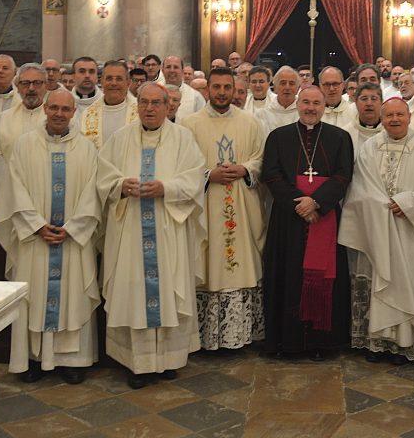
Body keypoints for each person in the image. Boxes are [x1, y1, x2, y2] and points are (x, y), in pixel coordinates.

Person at [97, 83, 205, 388]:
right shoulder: (119, 139)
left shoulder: (183, 138)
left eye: (157, 103)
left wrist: (166, 188)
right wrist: (119, 185)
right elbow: (102, 176)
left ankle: (168, 360)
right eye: (144, 102)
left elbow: (196, 178)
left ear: (168, 106)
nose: (150, 108)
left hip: (168, 227)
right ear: (137, 105)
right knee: (134, 292)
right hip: (130, 228)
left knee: (169, 289)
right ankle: (138, 363)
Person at [0, 90, 101, 384]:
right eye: (53, 107)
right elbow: (14, 190)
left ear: (73, 111)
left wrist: (73, 228)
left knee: (73, 294)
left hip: (72, 241)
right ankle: (32, 359)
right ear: (45, 108)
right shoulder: (25, 146)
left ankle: (73, 360)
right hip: (34, 240)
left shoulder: (87, 149)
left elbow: (94, 193)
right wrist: (37, 226)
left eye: (65, 109)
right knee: (34, 295)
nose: (58, 114)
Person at [339, 98, 414, 364]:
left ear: (409, 117)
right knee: (380, 282)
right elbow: (361, 186)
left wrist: (407, 202)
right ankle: (379, 342)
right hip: (378, 230)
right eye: (389, 116)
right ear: (382, 117)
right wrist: (382, 208)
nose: (395, 120)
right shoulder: (370, 147)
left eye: (400, 114)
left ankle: (407, 344)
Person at [260, 85, 354, 360]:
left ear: (325, 107)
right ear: (297, 104)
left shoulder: (340, 137)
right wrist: (300, 203)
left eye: (316, 103)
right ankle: (286, 342)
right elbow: (271, 175)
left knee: (324, 280)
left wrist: (317, 203)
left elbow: (344, 175)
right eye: (306, 102)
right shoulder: (278, 137)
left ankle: (321, 343)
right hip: (288, 220)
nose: (310, 107)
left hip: (324, 218)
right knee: (287, 277)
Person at [182, 68, 266, 352]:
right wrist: (207, 175)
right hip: (205, 206)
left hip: (241, 207)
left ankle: (237, 333)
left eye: (226, 87)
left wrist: (245, 168)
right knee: (207, 262)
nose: (221, 92)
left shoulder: (251, 123)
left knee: (238, 261)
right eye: (216, 87)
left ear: (234, 90)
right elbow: (181, 167)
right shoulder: (189, 124)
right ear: (207, 90)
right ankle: (204, 336)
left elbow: (261, 159)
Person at [0, 64, 49, 207]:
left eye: (37, 83)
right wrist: (12, 185)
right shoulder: (2, 120)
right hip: (10, 196)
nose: (31, 88)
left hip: (46, 195)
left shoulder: (57, 119)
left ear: (46, 86)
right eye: (25, 83)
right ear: (17, 86)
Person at [78, 61, 137, 149]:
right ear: (101, 82)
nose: (114, 83)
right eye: (109, 78)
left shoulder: (140, 112)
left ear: (128, 83)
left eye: (119, 79)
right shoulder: (87, 115)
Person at [256, 66, 300, 134]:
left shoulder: (303, 112)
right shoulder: (262, 113)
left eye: (291, 83)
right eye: (283, 83)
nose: (287, 87)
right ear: (275, 87)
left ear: (298, 88)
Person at [162, 56, 205, 120]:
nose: (172, 70)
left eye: (176, 67)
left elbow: (201, 121)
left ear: (182, 71)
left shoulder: (195, 96)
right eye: (168, 67)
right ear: (162, 70)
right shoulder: (153, 91)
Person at [347, 82, 384, 152]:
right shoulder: (346, 134)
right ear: (356, 102)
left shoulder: (390, 131)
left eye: (374, 99)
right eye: (364, 99)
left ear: (381, 102)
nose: (369, 103)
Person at [318, 66, 355, 131]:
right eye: (327, 84)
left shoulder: (354, 112)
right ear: (320, 86)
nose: (331, 89)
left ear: (343, 85)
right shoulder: (315, 113)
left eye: (335, 84)